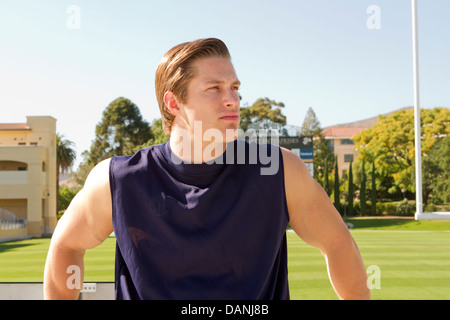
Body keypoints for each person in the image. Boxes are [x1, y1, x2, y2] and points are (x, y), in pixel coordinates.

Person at [44, 38, 370, 300]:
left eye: (235, 88)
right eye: (214, 88)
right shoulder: (119, 180)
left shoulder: (279, 171)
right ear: (174, 103)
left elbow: (338, 243)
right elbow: (66, 245)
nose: (232, 99)